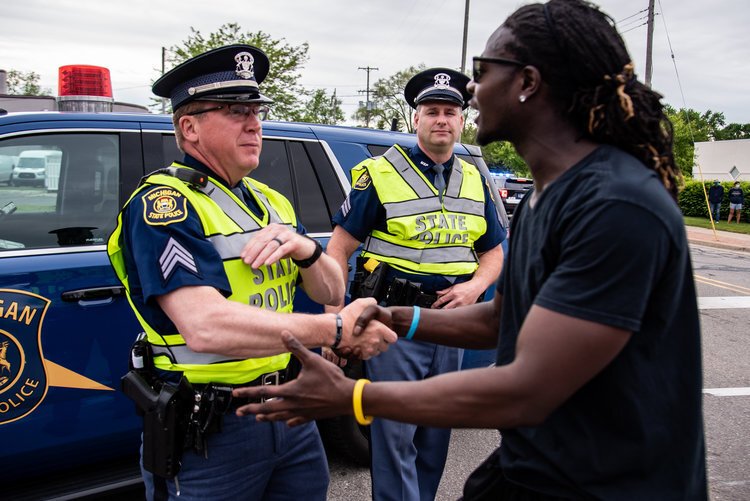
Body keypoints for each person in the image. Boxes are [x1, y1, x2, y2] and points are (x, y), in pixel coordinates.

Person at [233, 1, 708, 499]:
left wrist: (352, 396)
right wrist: (394, 317)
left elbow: (528, 389)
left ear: (527, 83)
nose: (471, 93)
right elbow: (501, 321)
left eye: (480, 73)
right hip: (540, 468)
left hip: (614, 483)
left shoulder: (615, 204)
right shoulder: (549, 194)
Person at [107, 44, 396, 501]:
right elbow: (203, 326)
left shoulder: (270, 202)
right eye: (235, 111)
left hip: (290, 410)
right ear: (189, 127)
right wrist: (335, 328)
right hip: (213, 429)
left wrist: (305, 251)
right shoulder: (164, 207)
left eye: (257, 110)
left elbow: (332, 286)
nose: (254, 123)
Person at [323, 67, 505, 500]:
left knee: (436, 435)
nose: (441, 119)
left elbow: (494, 252)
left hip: (451, 324)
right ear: (415, 120)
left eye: (450, 112)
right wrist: (334, 323)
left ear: (463, 121)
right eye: (431, 111)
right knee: (394, 436)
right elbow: (337, 249)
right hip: (394, 325)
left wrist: (474, 288)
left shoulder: (475, 179)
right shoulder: (378, 174)